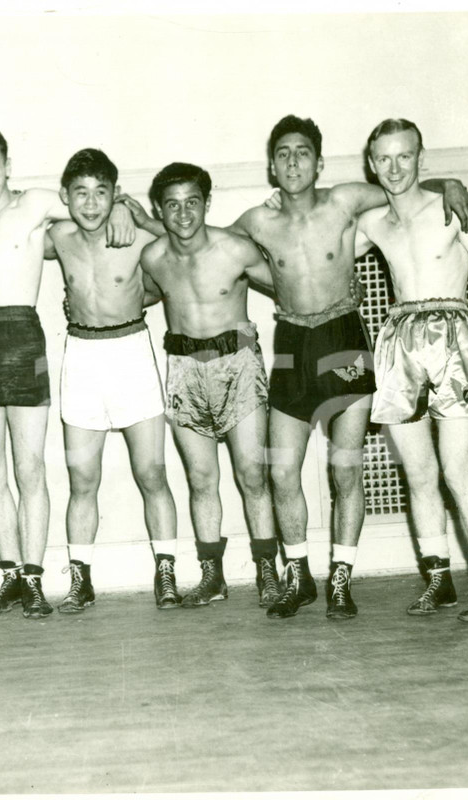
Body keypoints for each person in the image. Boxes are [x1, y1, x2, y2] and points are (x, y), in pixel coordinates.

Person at [227, 115, 468, 620]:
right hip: (292, 339)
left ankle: (340, 579)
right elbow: (205, 246)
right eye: (283, 154)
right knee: (282, 469)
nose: (293, 161)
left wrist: (448, 182)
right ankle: (299, 578)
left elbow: (402, 187)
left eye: (302, 153)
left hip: (342, 337)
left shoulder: (344, 200)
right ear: (272, 167)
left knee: (344, 468)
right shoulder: (256, 220)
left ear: (319, 163)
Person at [0, 124, 135, 618]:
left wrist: (124, 204)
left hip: (23, 332)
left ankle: (36, 578)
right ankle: (11, 576)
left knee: (30, 466)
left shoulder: (37, 203)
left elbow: (96, 207)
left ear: (8, 165)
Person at [356, 118, 468, 622]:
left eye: (405, 156)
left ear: (422, 157)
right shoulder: (372, 222)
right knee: (419, 474)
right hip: (399, 340)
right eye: (384, 158)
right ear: (372, 164)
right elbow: (319, 246)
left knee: (457, 468)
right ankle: (439, 582)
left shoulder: (451, 207)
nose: (395, 168)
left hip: (452, 336)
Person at [132, 162, 282, 611]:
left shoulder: (235, 249)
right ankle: (212, 576)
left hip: (237, 363)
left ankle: (268, 573)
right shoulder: (153, 257)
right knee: (201, 478)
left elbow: (288, 284)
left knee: (252, 474)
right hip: (184, 369)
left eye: (192, 202)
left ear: (207, 203)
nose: (183, 214)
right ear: (158, 209)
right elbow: (138, 297)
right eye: (172, 205)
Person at [43, 149, 179, 612]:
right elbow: (7, 232)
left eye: (102, 193)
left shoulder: (135, 234)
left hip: (130, 352)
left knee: (152, 472)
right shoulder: (58, 236)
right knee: (82, 477)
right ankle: (80, 579)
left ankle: (166, 573)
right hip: (81, 356)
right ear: (65, 196)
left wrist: (133, 210)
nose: (91, 203)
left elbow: (184, 236)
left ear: (114, 194)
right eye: (80, 192)